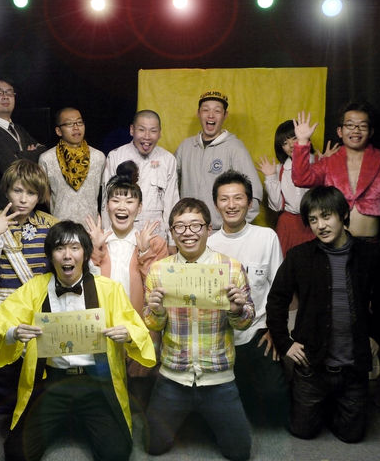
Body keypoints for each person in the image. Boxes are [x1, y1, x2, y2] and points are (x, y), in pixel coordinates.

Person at [0, 221, 156, 461]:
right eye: (59, 248)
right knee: (17, 454)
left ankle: (79, 421)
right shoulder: (36, 288)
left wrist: (128, 334)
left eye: (74, 248)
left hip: (95, 381)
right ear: (51, 255)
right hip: (51, 382)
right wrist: (14, 332)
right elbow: (6, 315)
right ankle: (68, 421)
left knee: (116, 453)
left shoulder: (109, 289)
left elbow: (134, 324)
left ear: (85, 254)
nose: (67, 255)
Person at [266, 186, 380, 443]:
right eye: (313, 220)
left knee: (352, 436)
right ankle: (317, 403)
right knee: (302, 431)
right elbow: (276, 300)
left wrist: (375, 336)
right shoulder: (299, 256)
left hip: (352, 368)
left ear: (343, 214)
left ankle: (333, 404)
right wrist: (285, 342)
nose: (320, 225)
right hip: (312, 366)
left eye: (326, 216)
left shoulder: (370, 255)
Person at [143, 198, 255, 461]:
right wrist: (156, 310)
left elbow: (246, 321)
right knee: (152, 445)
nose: (188, 233)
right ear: (172, 232)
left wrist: (237, 310)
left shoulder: (230, 268)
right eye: (180, 227)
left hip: (218, 376)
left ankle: (209, 419)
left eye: (195, 225)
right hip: (173, 376)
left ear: (208, 229)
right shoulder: (159, 270)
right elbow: (152, 324)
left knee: (239, 453)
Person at [0, 159, 57, 413]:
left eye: (31, 193)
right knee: (4, 365)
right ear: (7, 190)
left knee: (39, 364)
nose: (23, 199)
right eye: (17, 191)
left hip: (38, 307)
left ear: (39, 196)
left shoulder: (50, 225)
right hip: (2, 307)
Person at [207, 170, 288, 427]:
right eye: (224, 199)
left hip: (257, 332)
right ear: (216, 204)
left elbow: (280, 291)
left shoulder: (266, 237)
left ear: (250, 202)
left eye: (238, 198)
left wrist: (276, 331)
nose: (231, 205)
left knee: (275, 401)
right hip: (221, 337)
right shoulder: (209, 244)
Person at [86, 165, 168, 408]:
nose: (122, 206)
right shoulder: (94, 241)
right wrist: (95, 251)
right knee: (103, 399)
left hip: (140, 329)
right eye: (115, 200)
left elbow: (158, 290)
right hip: (102, 329)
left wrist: (144, 252)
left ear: (139, 208)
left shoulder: (154, 243)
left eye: (130, 201)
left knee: (139, 398)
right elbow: (85, 287)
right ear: (107, 206)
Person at [291, 104, 380, 238]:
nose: (356, 130)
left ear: (371, 132)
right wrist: (302, 142)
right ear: (340, 131)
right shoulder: (328, 163)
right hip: (334, 243)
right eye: (350, 125)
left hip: (369, 243)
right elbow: (301, 179)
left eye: (362, 126)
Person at [174, 90, 262, 230]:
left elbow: (254, 194)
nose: (211, 115)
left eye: (217, 111)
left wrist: (232, 229)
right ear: (198, 113)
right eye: (206, 110)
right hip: (188, 230)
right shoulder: (185, 147)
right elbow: (170, 185)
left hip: (220, 232)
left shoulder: (235, 148)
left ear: (225, 115)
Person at [257, 120, 339, 256]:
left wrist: (327, 163)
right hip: (288, 225)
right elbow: (276, 207)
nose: (291, 145)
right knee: (286, 263)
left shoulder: (319, 162)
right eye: (284, 143)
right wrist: (270, 177)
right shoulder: (279, 169)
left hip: (315, 222)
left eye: (294, 138)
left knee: (316, 261)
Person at [101, 110, 179, 247]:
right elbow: (106, 202)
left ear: (160, 133)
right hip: (122, 237)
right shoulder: (116, 156)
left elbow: (172, 203)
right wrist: (106, 238)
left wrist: (172, 241)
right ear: (132, 130)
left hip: (156, 237)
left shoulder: (168, 160)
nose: (147, 136)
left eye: (153, 131)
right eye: (141, 130)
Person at [38, 107, 105, 224]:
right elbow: (44, 193)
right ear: (58, 131)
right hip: (60, 225)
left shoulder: (98, 157)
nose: (76, 127)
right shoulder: (47, 159)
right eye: (69, 124)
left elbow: (104, 193)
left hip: (91, 226)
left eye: (79, 122)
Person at [0, 76, 47, 175]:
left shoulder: (18, 128)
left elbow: (44, 152)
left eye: (9, 92)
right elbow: (10, 168)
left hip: (29, 184)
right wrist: (30, 154)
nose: (5, 96)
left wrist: (20, 156)